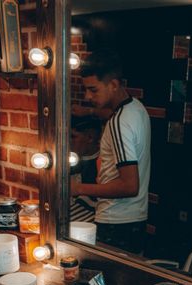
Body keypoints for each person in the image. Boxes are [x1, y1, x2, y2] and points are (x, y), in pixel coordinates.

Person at [71, 48, 151, 255]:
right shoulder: (136, 109)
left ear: (114, 85)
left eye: (93, 90)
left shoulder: (118, 123)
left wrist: (78, 188)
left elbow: (129, 186)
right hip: (135, 217)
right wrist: (89, 111)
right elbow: (109, 112)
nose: (88, 96)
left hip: (115, 220)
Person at [70, 114, 101, 223]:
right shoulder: (70, 159)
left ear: (90, 138)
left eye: (73, 137)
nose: (68, 142)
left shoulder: (102, 163)